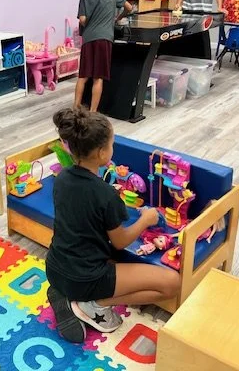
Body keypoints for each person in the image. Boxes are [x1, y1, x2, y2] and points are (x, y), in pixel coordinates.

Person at [45, 107, 181, 343]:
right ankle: (93, 304)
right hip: (85, 278)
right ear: (101, 153)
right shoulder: (105, 194)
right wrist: (146, 219)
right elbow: (120, 242)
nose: (113, 149)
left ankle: (70, 295)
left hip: (55, 268)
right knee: (172, 284)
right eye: (111, 145)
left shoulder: (62, 178)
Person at [75, 0, 133, 113]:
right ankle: (93, 112)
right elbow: (129, 7)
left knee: (83, 76)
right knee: (98, 77)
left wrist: (89, 21)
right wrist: (118, 18)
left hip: (88, 40)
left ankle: (75, 107)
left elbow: (82, 19)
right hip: (105, 39)